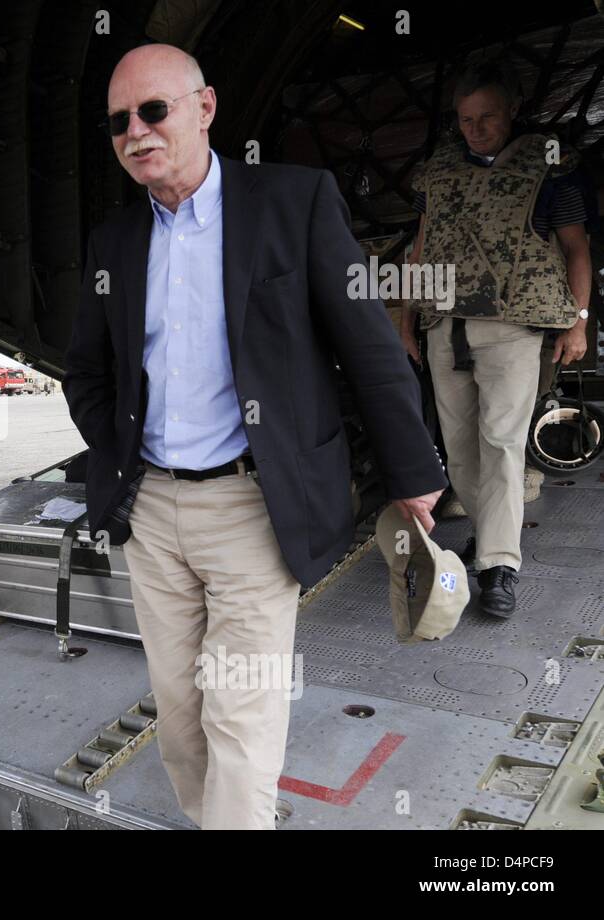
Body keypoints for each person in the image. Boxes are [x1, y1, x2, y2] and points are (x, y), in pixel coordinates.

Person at [63, 44, 447, 829]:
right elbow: (88, 374)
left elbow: (368, 346)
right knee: (180, 721)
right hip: (152, 514)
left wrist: (414, 471)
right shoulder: (115, 244)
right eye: (118, 122)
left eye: (153, 111)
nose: (135, 131)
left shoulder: (294, 202)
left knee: (239, 713)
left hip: (254, 507)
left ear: (204, 109)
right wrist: (120, 453)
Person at [399, 55, 595, 618]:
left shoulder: (550, 168)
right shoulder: (437, 174)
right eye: (466, 120)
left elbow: (576, 246)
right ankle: (489, 540)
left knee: (503, 444)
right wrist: (408, 318)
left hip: (512, 327)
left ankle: (500, 564)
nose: (477, 128)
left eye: (487, 116)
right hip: (446, 326)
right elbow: (420, 250)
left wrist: (579, 319)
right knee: (459, 452)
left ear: (512, 110)